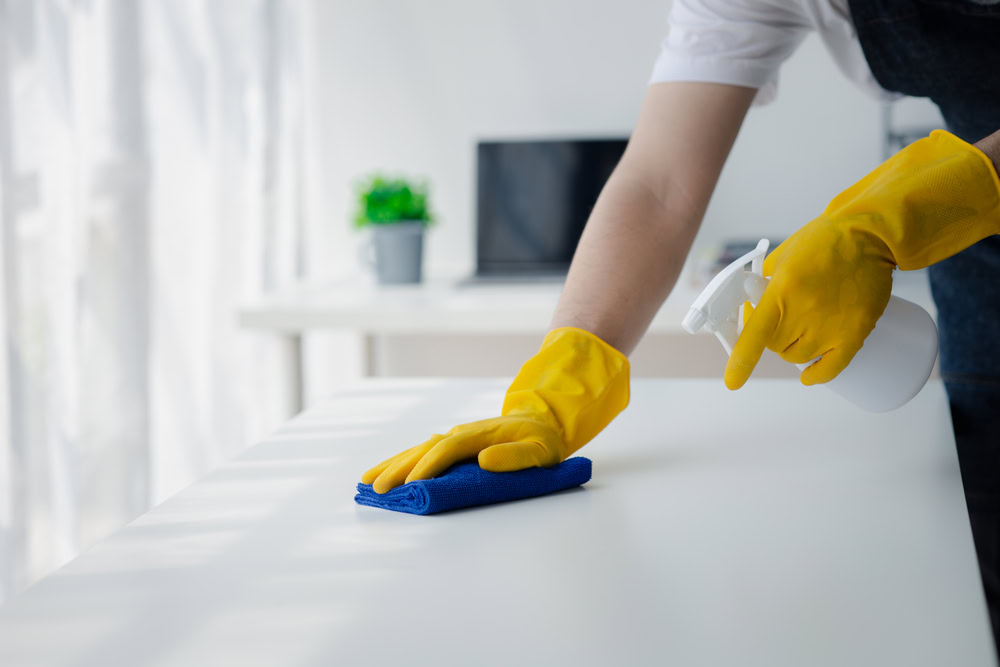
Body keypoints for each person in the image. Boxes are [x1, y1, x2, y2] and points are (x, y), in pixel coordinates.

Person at [363, 0, 1000, 645]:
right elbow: (659, 183)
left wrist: (934, 199)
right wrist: (560, 382)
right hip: (979, 243)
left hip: (962, 200)